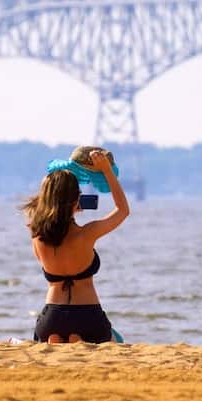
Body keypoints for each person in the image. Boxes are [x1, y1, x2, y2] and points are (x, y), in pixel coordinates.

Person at [22, 146, 130, 343]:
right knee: (118, 341)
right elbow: (122, 210)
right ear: (75, 201)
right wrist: (106, 171)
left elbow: (46, 206)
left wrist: (60, 194)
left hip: (52, 318)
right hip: (87, 316)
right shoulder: (86, 234)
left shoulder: (37, 235)